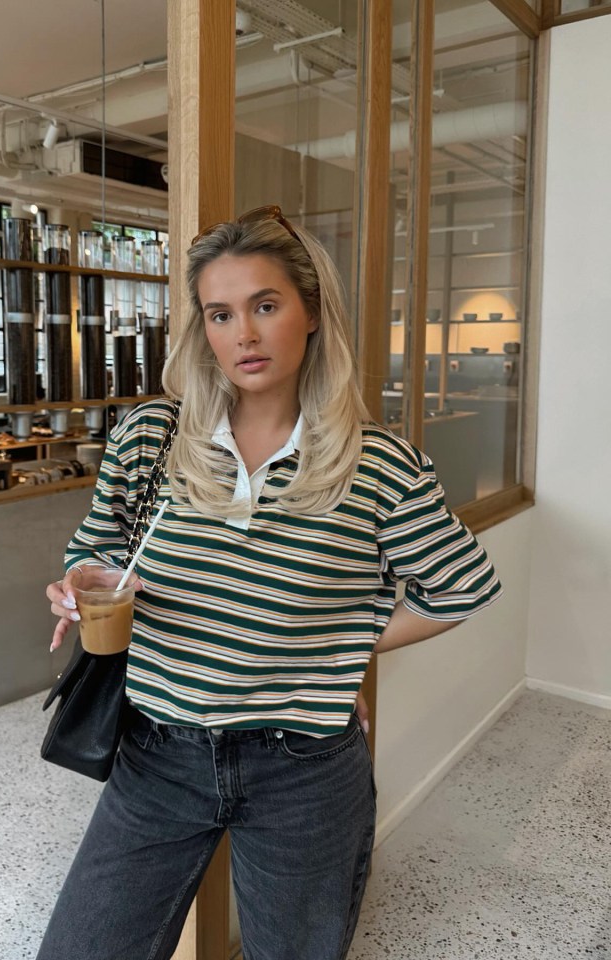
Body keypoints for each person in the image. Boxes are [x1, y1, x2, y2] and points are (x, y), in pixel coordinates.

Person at [37, 206, 502, 960]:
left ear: (311, 313)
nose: (243, 335)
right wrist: (78, 583)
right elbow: (97, 552)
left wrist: (338, 653)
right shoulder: (152, 436)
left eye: (265, 305)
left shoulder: (380, 465)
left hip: (305, 771)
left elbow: (461, 590)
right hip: (158, 751)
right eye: (221, 314)